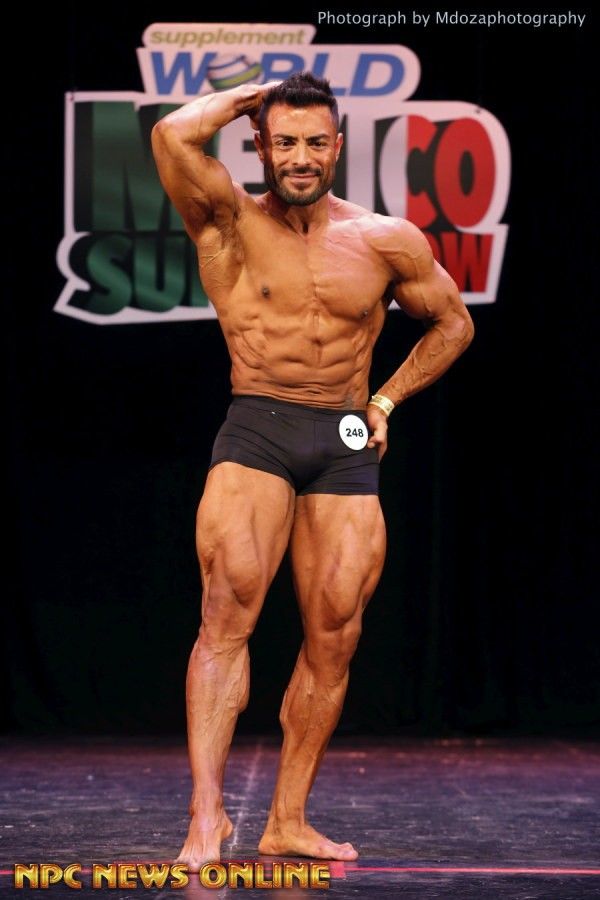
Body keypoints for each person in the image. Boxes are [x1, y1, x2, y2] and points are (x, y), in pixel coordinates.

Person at [151, 71, 474, 869]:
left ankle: (286, 820)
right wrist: (253, 93)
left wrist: (387, 401)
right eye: (285, 141)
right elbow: (170, 135)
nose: (300, 157)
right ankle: (206, 816)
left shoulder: (384, 240)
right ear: (260, 145)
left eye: (315, 142)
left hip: (345, 436)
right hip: (258, 426)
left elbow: (453, 324)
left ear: (338, 147)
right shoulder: (228, 219)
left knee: (335, 632)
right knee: (227, 612)